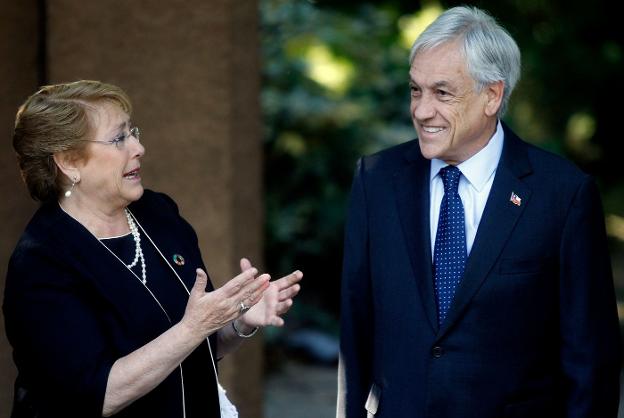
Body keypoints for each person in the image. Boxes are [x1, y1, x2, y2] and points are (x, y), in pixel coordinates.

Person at [338, 6, 620, 418]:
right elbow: (355, 330)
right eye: (416, 90)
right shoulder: (376, 181)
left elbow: (590, 360)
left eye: (442, 93)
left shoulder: (563, 194)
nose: (420, 110)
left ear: (492, 96)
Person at [3, 80, 303, 418]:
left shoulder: (158, 214)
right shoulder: (43, 262)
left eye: (133, 132)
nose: (138, 148)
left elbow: (199, 344)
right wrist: (194, 328)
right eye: (119, 138)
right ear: (69, 162)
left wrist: (240, 321)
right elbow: (96, 395)